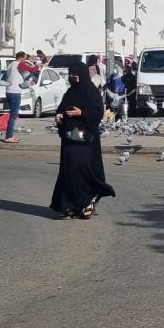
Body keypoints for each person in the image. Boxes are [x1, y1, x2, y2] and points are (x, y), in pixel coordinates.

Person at [49, 64, 115, 219]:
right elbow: (62, 108)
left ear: (82, 75)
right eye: (71, 75)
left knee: (83, 169)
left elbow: (98, 113)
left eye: (75, 75)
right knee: (68, 170)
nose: (73, 78)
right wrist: (59, 116)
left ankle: (88, 202)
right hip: (69, 137)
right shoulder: (71, 91)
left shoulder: (90, 91)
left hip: (85, 138)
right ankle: (68, 205)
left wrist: (81, 113)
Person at [1, 52, 28, 143]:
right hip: (15, 92)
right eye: (24, 58)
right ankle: (9, 137)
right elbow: (32, 70)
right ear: (21, 58)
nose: (25, 60)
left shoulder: (10, 65)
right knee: (13, 115)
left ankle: (10, 135)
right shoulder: (19, 65)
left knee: (12, 115)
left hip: (8, 91)